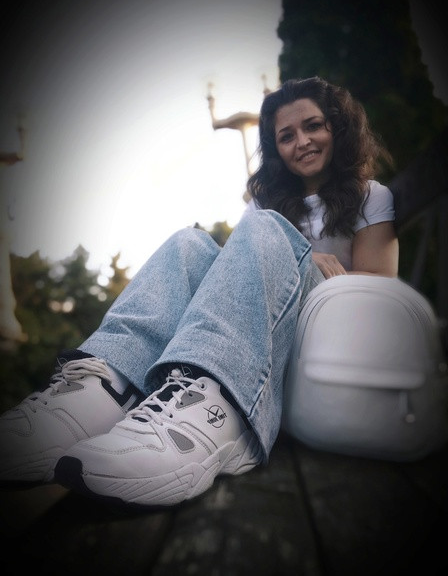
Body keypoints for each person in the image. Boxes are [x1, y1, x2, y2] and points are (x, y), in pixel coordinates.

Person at [0, 77, 398, 508]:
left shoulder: (370, 197)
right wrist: (292, 250)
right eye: (286, 136)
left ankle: (217, 408)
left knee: (265, 229)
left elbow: (376, 293)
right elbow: (235, 280)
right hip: (258, 333)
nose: (301, 142)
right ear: (276, 149)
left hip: (319, 336)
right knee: (187, 244)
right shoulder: (264, 204)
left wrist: (297, 255)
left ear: (337, 127)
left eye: (313, 126)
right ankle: (102, 394)